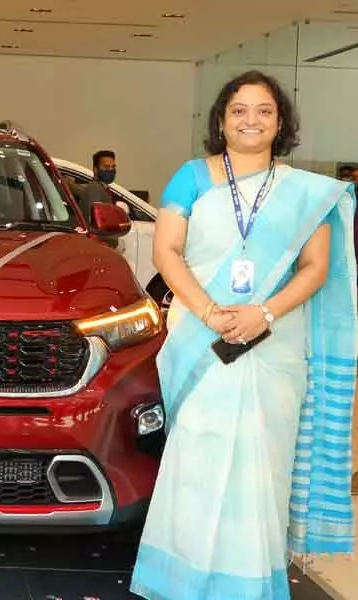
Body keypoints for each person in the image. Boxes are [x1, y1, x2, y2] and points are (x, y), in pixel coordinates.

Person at [130, 70, 356, 599]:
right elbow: (167, 252)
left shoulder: (305, 193)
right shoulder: (191, 177)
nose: (251, 120)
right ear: (221, 120)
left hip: (274, 344)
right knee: (195, 460)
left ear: (281, 123)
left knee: (262, 466)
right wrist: (209, 311)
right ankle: (179, 582)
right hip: (202, 338)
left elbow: (315, 268)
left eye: (264, 111)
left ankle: (250, 583)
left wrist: (265, 314)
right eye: (239, 110)